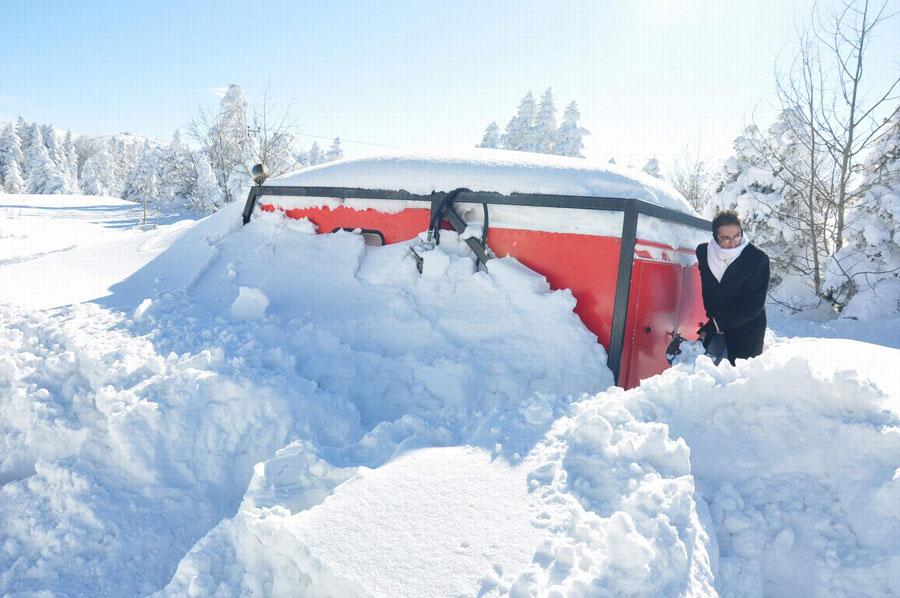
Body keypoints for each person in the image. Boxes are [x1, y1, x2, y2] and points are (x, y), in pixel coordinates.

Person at [696, 210, 770, 364]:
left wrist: (716, 324)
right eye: (726, 238)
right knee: (708, 376)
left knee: (736, 380)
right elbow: (708, 289)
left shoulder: (757, 259)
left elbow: (753, 305)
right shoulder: (704, 252)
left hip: (747, 330)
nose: (733, 242)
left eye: (737, 235)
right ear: (716, 236)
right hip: (716, 327)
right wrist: (713, 321)